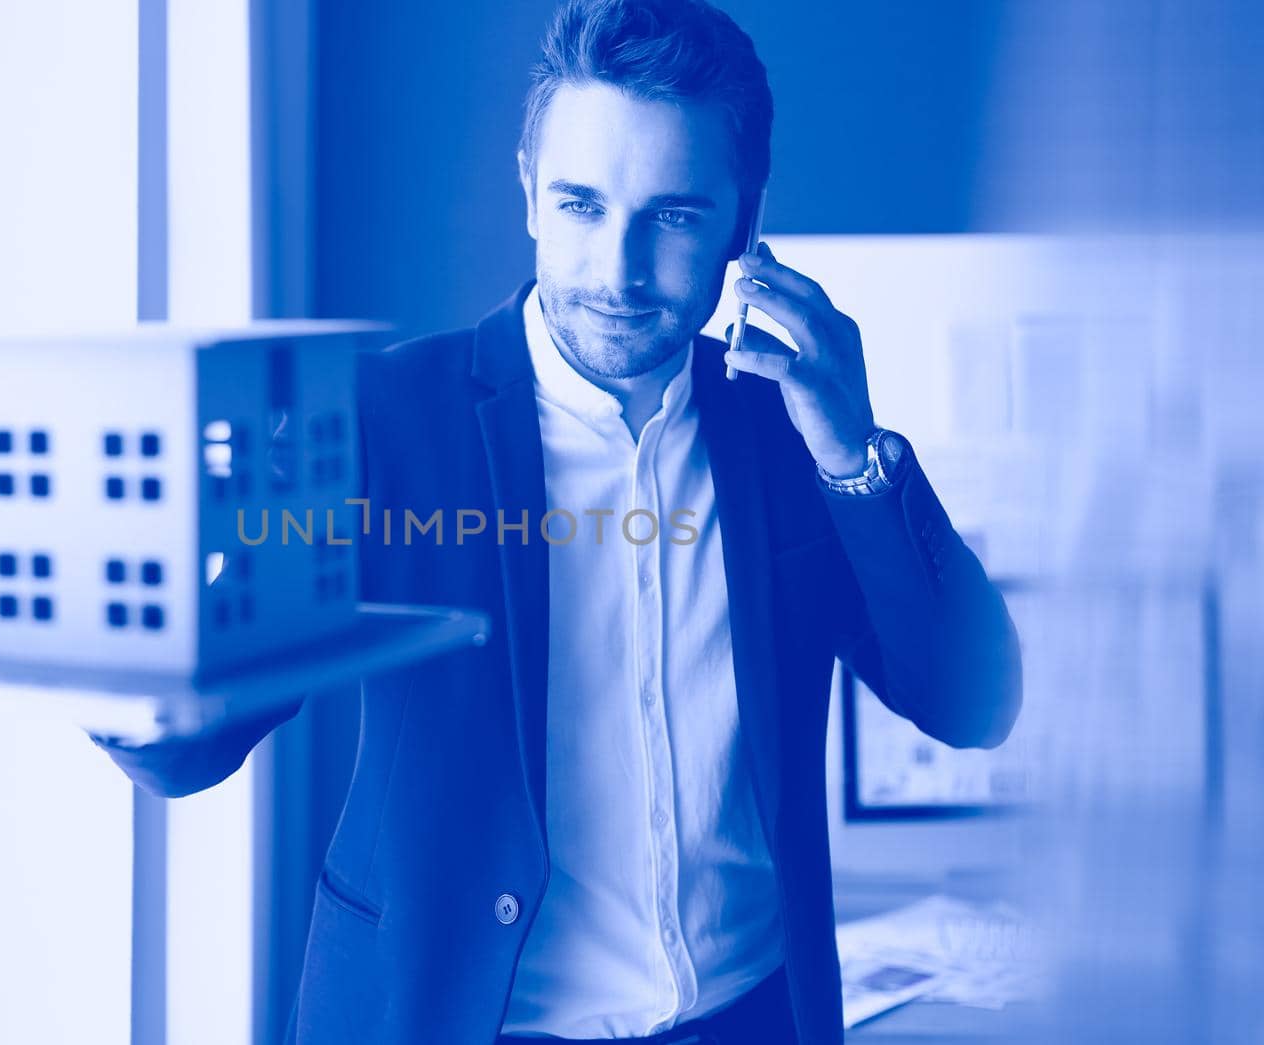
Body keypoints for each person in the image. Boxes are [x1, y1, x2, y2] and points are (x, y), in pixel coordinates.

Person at [92, 1, 1022, 1042]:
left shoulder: (787, 432)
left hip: (750, 1017)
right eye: (580, 204)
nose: (615, 272)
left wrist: (853, 453)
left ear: (740, 226)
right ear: (529, 191)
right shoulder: (374, 423)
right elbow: (187, 742)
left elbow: (973, 699)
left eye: (670, 217)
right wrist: (140, 630)